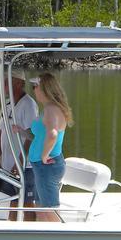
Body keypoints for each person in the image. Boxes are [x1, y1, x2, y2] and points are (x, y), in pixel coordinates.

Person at [0, 74, 39, 218]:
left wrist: (20, 162)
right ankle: (11, 231)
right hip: (7, 166)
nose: (4, 85)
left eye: (6, 82)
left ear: (18, 83)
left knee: (27, 204)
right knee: (10, 203)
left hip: (25, 167)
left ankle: (32, 235)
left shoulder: (29, 105)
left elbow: (32, 135)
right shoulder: (7, 105)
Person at [27, 72, 73, 222]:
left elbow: (52, 134)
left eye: (35, 86)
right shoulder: (49, 108)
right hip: (41, 166)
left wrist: (44, 156)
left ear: (44, 89)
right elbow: (41, 136)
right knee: (40, 207)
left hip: (47, 166)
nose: (34, 89)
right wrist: (20, 130)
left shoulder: (51, 109)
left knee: (49, 208)